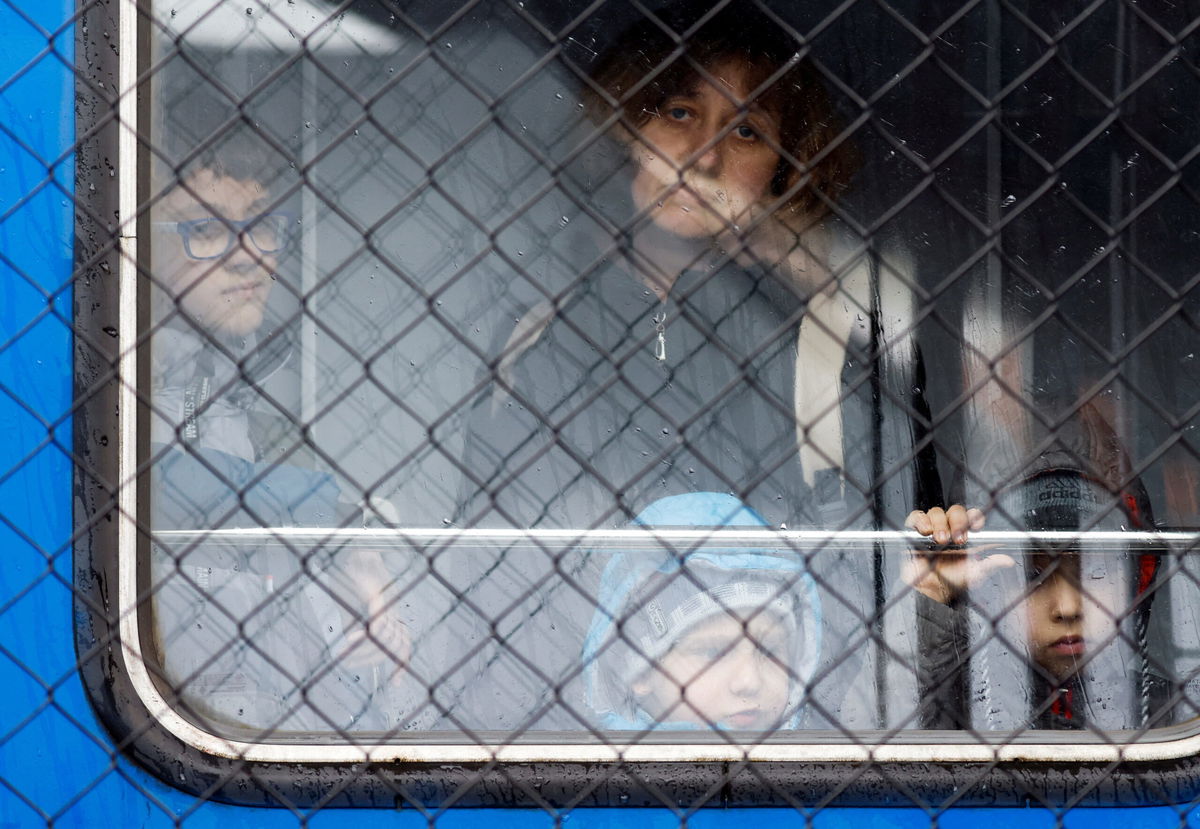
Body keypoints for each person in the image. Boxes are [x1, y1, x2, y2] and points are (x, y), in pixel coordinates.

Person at [446, 0, 946, 732]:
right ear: (627, 132)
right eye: (678, 113)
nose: (704, 156)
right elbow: (491, 588)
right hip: (563, 748)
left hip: (798, 743)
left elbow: (888, 589)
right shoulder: (537, 337)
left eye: (747, 131)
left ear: (784, 169)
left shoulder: (831, 343)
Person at [148, 143, 412, 734]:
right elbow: (156, 483)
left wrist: (359, 588)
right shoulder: (98, 376)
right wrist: (349, 525)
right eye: (208, 230)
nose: (249, 257)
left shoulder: (251, 400)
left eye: (261, 223)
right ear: (141, 240)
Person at [902, 405, 1161, 730]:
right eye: (1031, 575)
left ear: (1136, 579)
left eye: (1095, 569)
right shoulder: (943, 710)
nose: (1067, 608)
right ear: (983, 591)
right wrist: (929, 607)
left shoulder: (1177, 720)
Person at [580, 492, 821, 731]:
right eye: (713, 652)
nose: (749, 681)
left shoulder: (823, 755)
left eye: (769, 651)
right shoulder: (591, 763)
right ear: (641, 671)